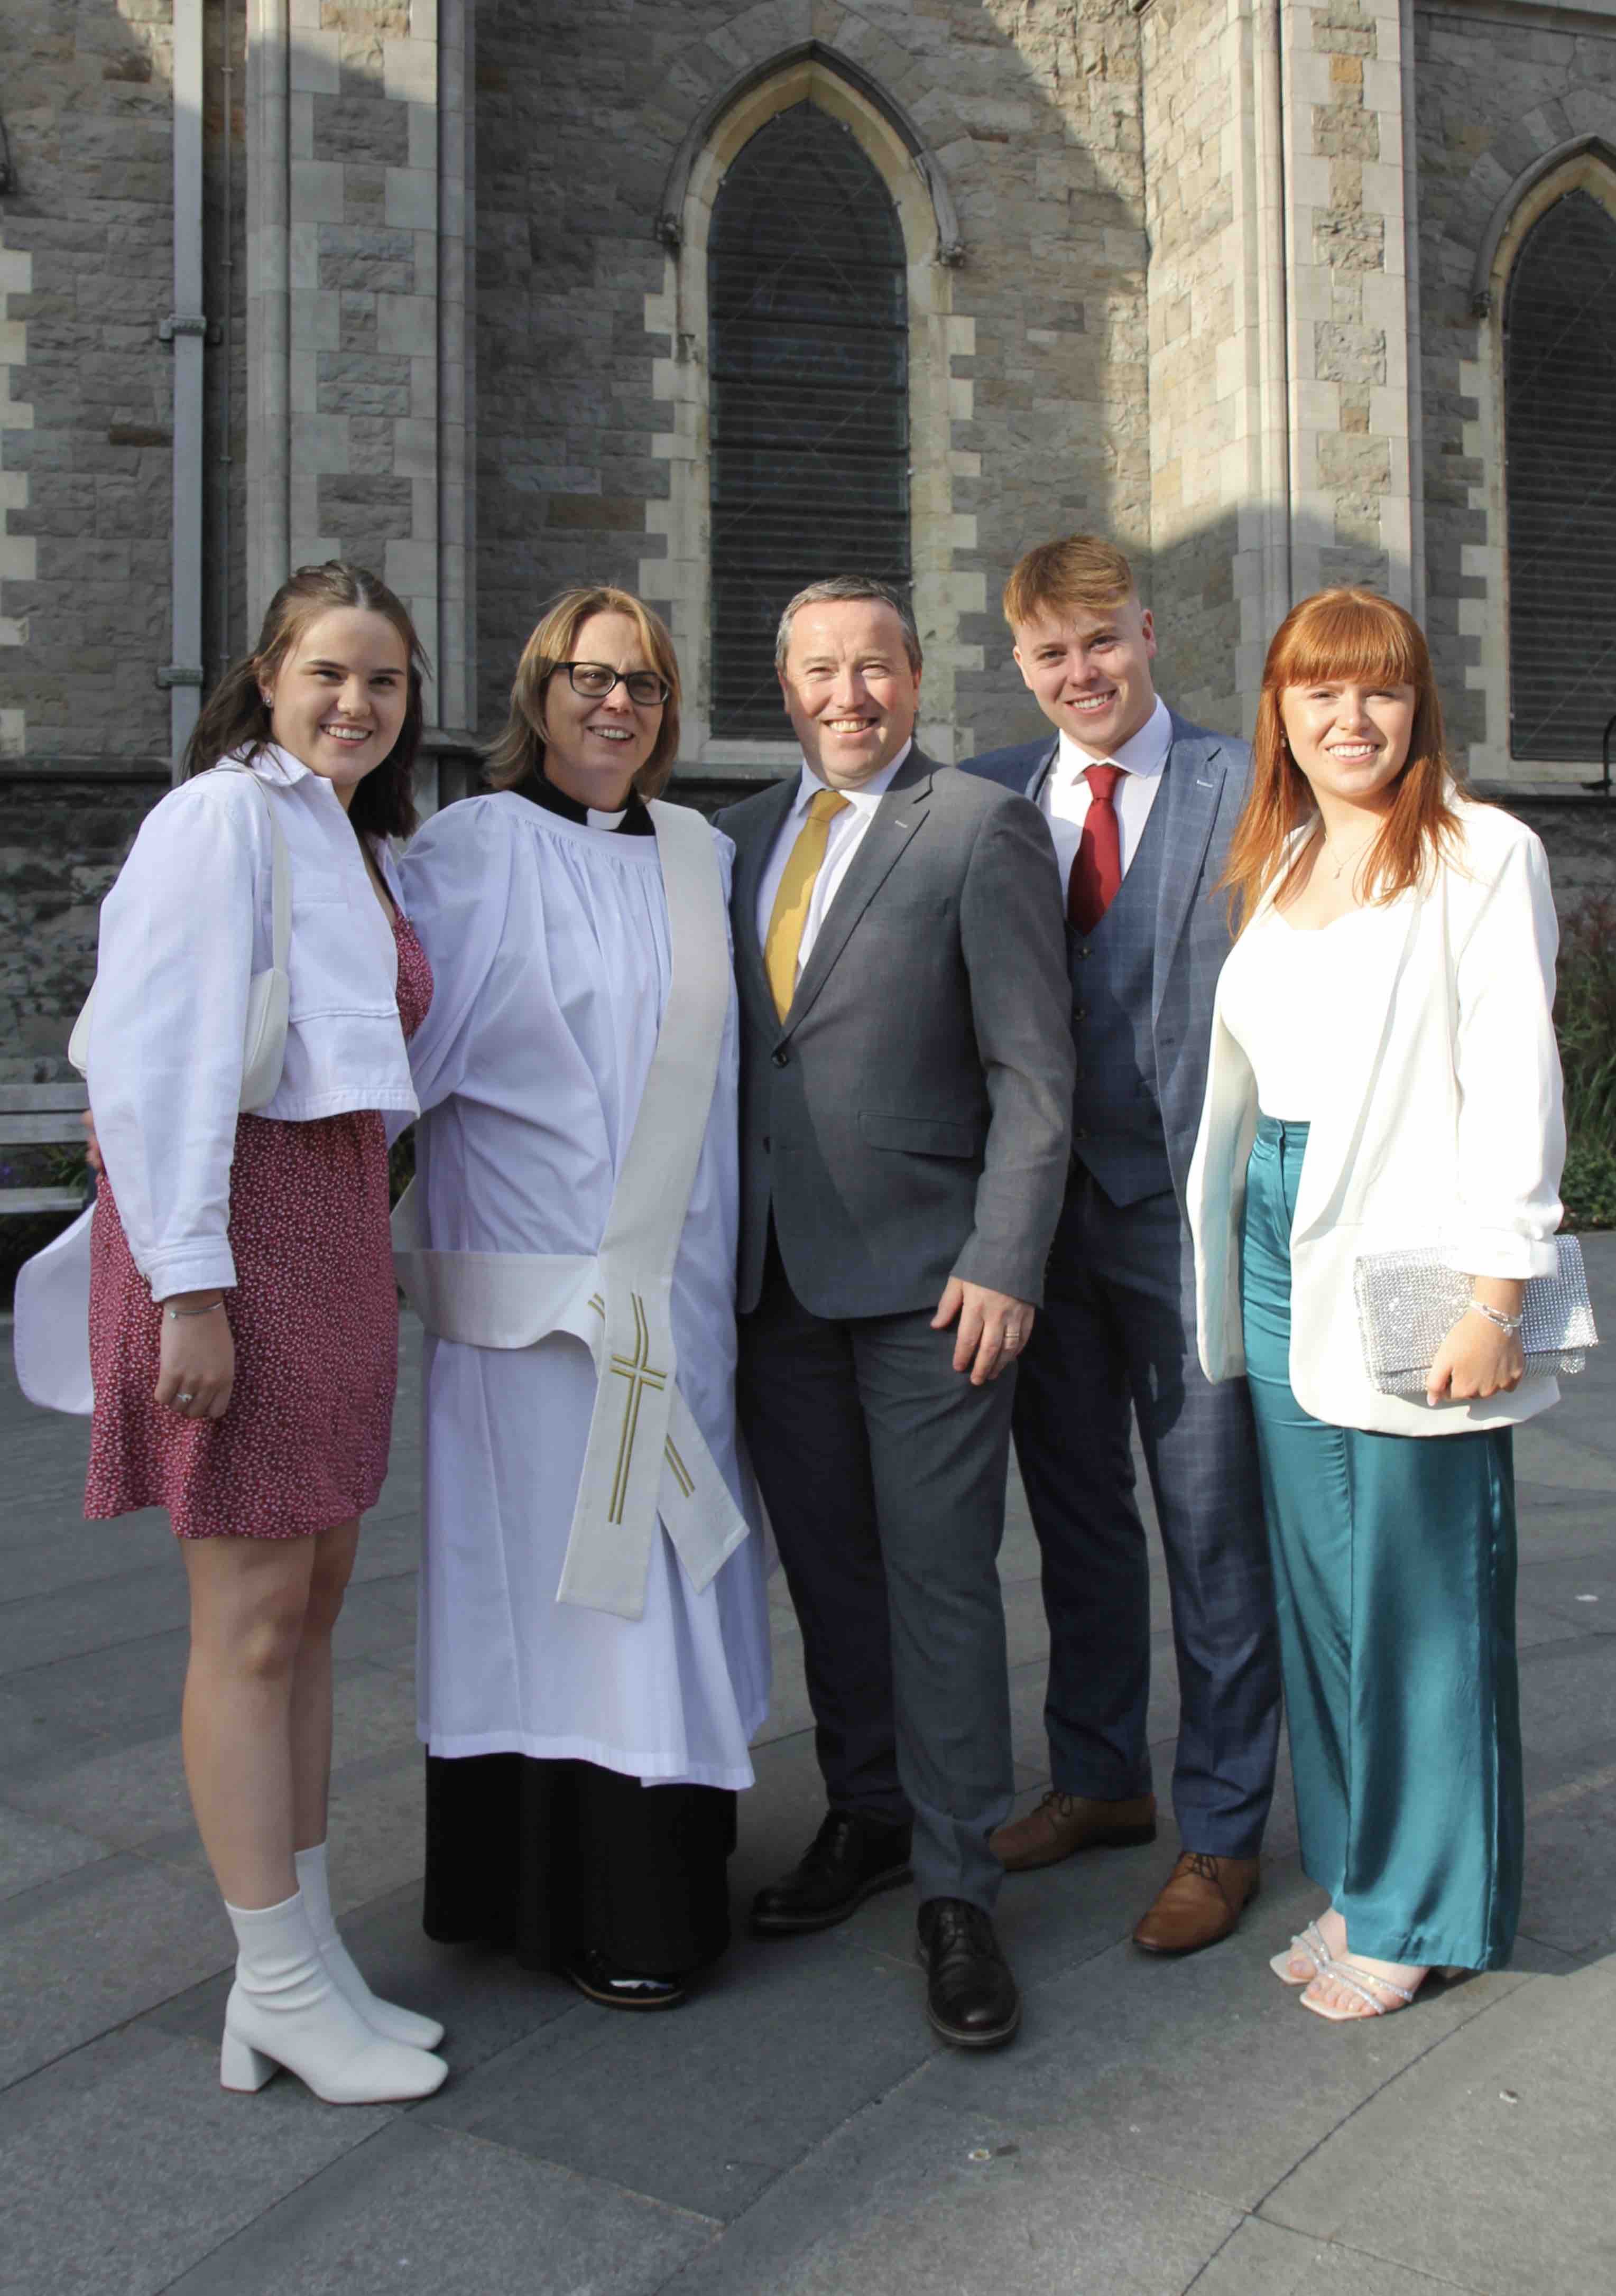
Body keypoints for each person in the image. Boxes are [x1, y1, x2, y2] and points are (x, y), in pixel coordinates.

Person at [78, 561, 447, 2104]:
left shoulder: (348, 834)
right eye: (328, 674)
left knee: (310, 1605)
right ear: (267, 673)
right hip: (229, 1235)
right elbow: (151, 1054)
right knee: (244, 1622)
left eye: (383, 680)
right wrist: (188, 1284)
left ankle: (301, 1963)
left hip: (328, 1231)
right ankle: (277, 1979)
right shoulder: (221, 815)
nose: (355, 702)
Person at [392, 585, 770, 2011]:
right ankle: (526, 1885)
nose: (619, 704)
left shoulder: (696, 857)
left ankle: (649, 1892)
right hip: (529, 1322)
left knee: (663, 1590)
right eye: (591, 677)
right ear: (536, 690)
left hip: (675, 1301)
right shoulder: (468, 851)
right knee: (539, 1593)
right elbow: (388, 1056)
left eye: (649, 686)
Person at [1188, 587, 1564, 2022]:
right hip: (1280, 1234)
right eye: (1317, 692)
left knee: (1421, 1593)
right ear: (1279, 707)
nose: (1350, 718)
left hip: (1415, 1256)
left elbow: (1515, 1089)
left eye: (1379, 690)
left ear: (1418, 704)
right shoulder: (1282, 849)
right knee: (1325, 1587)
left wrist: (1495, 1294)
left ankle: (1424, 1904)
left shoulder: (1480, 851)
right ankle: (1358, 1870)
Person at [717, 575, 1074, 2051]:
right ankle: (864, 1809)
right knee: (830, 1573)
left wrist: (1005, 1255)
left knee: (936, 1581)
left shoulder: (978, 828)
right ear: (782, 685)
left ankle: (954, 1883)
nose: (847, 694)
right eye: (819, 670)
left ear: (918, 681)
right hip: (774, 1282)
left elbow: (1035, 1072)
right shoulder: (732, 839)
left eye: (874, 667)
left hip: (938, 1285)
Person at [965, 536, 1281, 1956]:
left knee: (1211, 1523)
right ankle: (1097, 1776)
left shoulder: (1244, 785)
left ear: (1145, 632)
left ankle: (1217, 1829)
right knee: (1076, 1513)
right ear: (1020, 665)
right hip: (1040, 1221)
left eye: (1100, 642)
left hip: (1182, 1213)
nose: (1079, 673)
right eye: (1050, 654)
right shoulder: (988, 796)